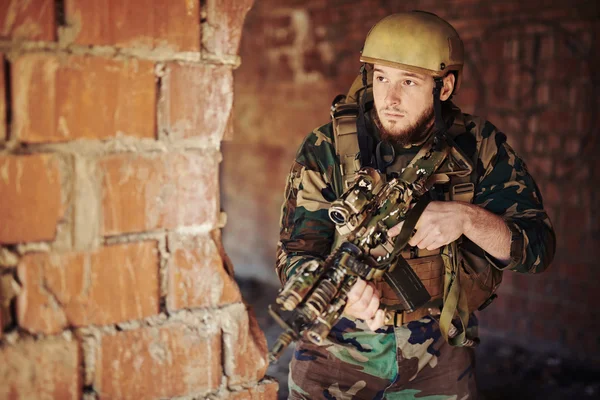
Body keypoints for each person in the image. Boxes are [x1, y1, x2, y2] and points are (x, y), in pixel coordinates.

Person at [275, 11, 555, 399]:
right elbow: (293, 254)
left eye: (408, 81)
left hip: (438, 355)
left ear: (444, 87)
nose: (389, 98)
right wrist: (342, 296)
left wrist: (468, 219)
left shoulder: (478, 147)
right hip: (335, 354)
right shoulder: (328, 148)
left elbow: (538, 250)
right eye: (381, 78)